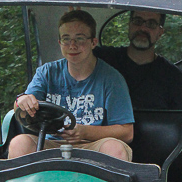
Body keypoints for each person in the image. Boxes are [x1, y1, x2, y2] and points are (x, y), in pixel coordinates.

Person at [9, 10, 134, 161]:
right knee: (19, 143)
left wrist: (85, 132)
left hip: (92, 145)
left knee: (115, 149)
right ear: (59, 42)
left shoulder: (111, 79)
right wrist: (21, 101)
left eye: (79, 39)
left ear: (93, 42)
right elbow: (21, 107)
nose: (72, 46)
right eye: (66, 39)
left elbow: (127, 132)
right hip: (52, 143)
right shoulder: (47, 73)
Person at [95, 9, 182, 110]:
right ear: (129, 25)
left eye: (151, 24)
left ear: (160, 32)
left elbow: (179, 121)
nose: (143, 28)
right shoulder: (102, 59)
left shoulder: (173, 76)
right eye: (138, 21)